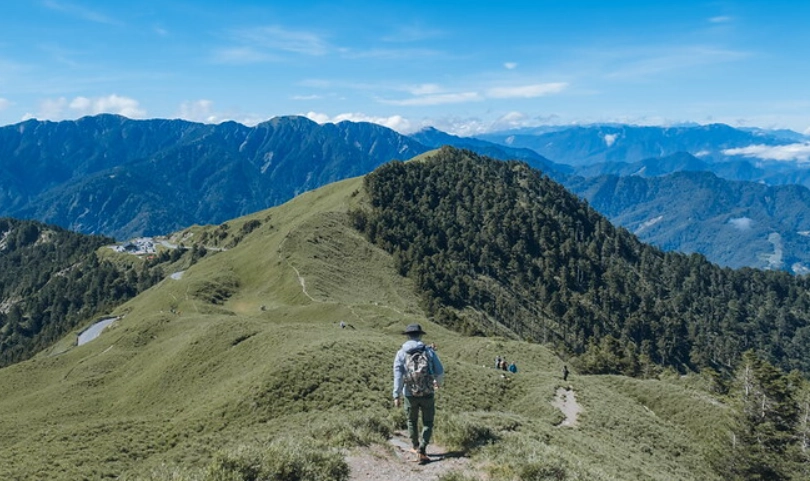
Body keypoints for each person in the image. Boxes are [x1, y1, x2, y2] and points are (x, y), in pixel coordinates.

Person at [393, 323, 444, 464]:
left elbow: (397, 375)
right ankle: (423, 448)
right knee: (428, 422)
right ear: (420, 335)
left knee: (412, 421)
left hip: (409, 393)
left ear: (408, 336)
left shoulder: (401, 353)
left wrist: (396, 395)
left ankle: (415, 446)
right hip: (427, 391)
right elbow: (440, 371)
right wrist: (437, 383)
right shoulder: (428, 351)